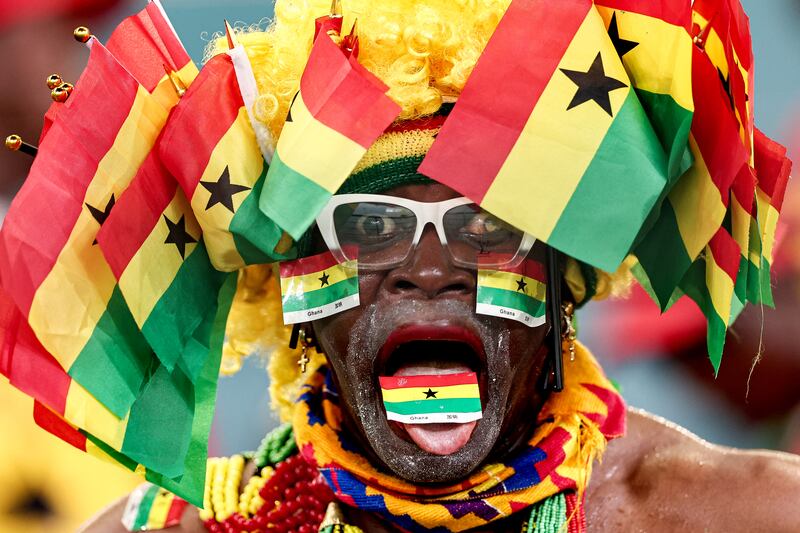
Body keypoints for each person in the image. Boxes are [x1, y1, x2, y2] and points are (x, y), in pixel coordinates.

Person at [3, 0, 799, 532]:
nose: (429, 266)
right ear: (294, 293)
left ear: (565, 283)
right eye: (372, 224)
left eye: (485, 224)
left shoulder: (738, 512)